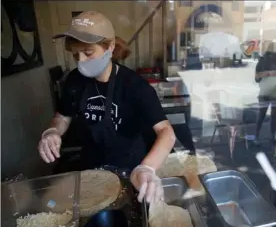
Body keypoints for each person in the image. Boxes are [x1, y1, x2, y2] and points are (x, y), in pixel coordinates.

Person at [38, 11, 176, 203]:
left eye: (88, 53)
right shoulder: (74, 81)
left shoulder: (134, 86)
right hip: (91, 171)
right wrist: (52, 131)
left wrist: (147, 168)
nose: (81, 62)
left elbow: (166, 132)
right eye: (76, 55)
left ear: (110, 47)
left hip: (132, 171)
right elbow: (62, 117)